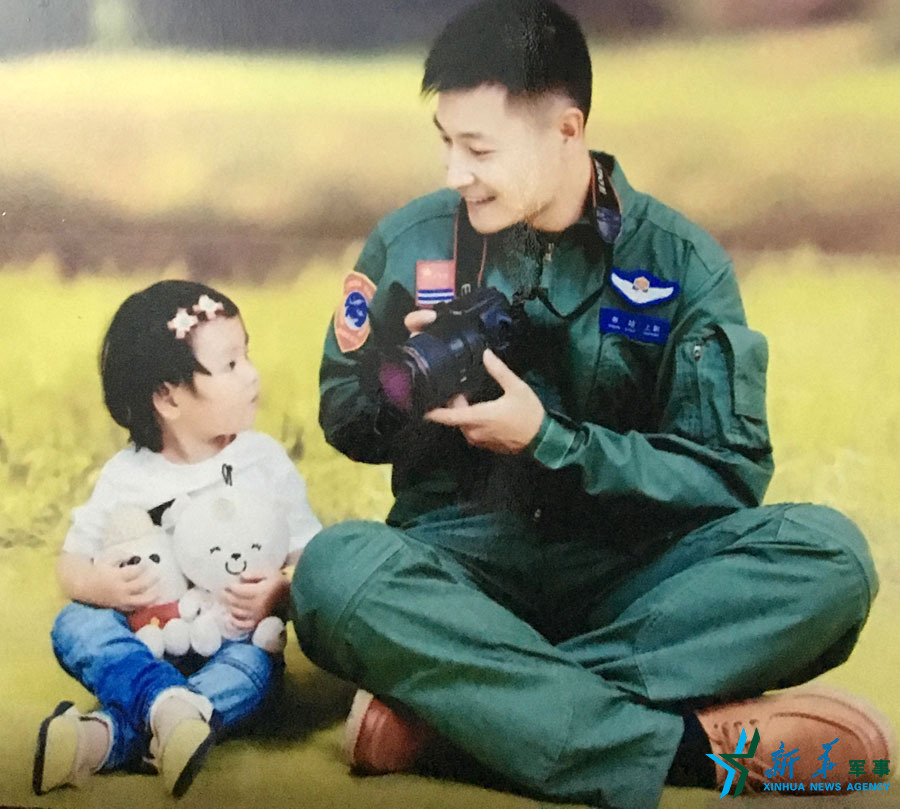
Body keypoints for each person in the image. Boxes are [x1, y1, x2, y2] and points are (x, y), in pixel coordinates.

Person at [290, 1, 893, 807]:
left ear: (566, 130)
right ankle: (687, 750)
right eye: (446, 143)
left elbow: (725, 477)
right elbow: (343, 412)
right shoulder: (412, 240)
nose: (455, 174)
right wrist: (402, 384)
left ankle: (457, 716)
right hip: (462, 571)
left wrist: (548, 439)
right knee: (333, 571)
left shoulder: (678, 260)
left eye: (479, 149)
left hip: (637, 576)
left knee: (833, 558)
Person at [33, 280, 322, 798]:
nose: (252, 374)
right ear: (167, 396)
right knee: (74, 623)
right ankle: (171, 709)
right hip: (145, 642)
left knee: (255, 666)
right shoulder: (127, 475)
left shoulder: (261, 462)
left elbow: (311, 560)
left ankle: (106, 736)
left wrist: (280, 590)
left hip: (233, 642)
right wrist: (100, 586)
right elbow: (70, 565)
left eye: (247, 354)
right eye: (230, 364)